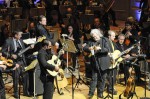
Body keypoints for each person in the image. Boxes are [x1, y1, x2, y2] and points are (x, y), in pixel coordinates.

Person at [83, 29, 114, 98]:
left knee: (102, 79)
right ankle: (91, 93)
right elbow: (84, 47)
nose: (95, 38)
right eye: (93, 36)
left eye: (95, 36)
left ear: (98, 34)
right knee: (94, 79)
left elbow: (107, 50)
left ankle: (100, 93)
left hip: (104, 62)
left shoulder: (104, 40)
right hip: (95, 63)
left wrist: (99, 49)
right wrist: (89, 48)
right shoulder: (91, 41)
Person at [1, 31, 33, 98]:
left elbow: (24, 51)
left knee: (26, 75)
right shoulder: (8, 41)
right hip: (13, 62)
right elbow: (3, 52)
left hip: (22, 61)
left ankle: (25, 91)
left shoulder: (21, 41)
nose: (21, 36)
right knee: (16, 73)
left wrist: (30, 48)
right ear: (15, 35)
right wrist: (11, 55)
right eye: (20, 35)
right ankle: (15, 92)